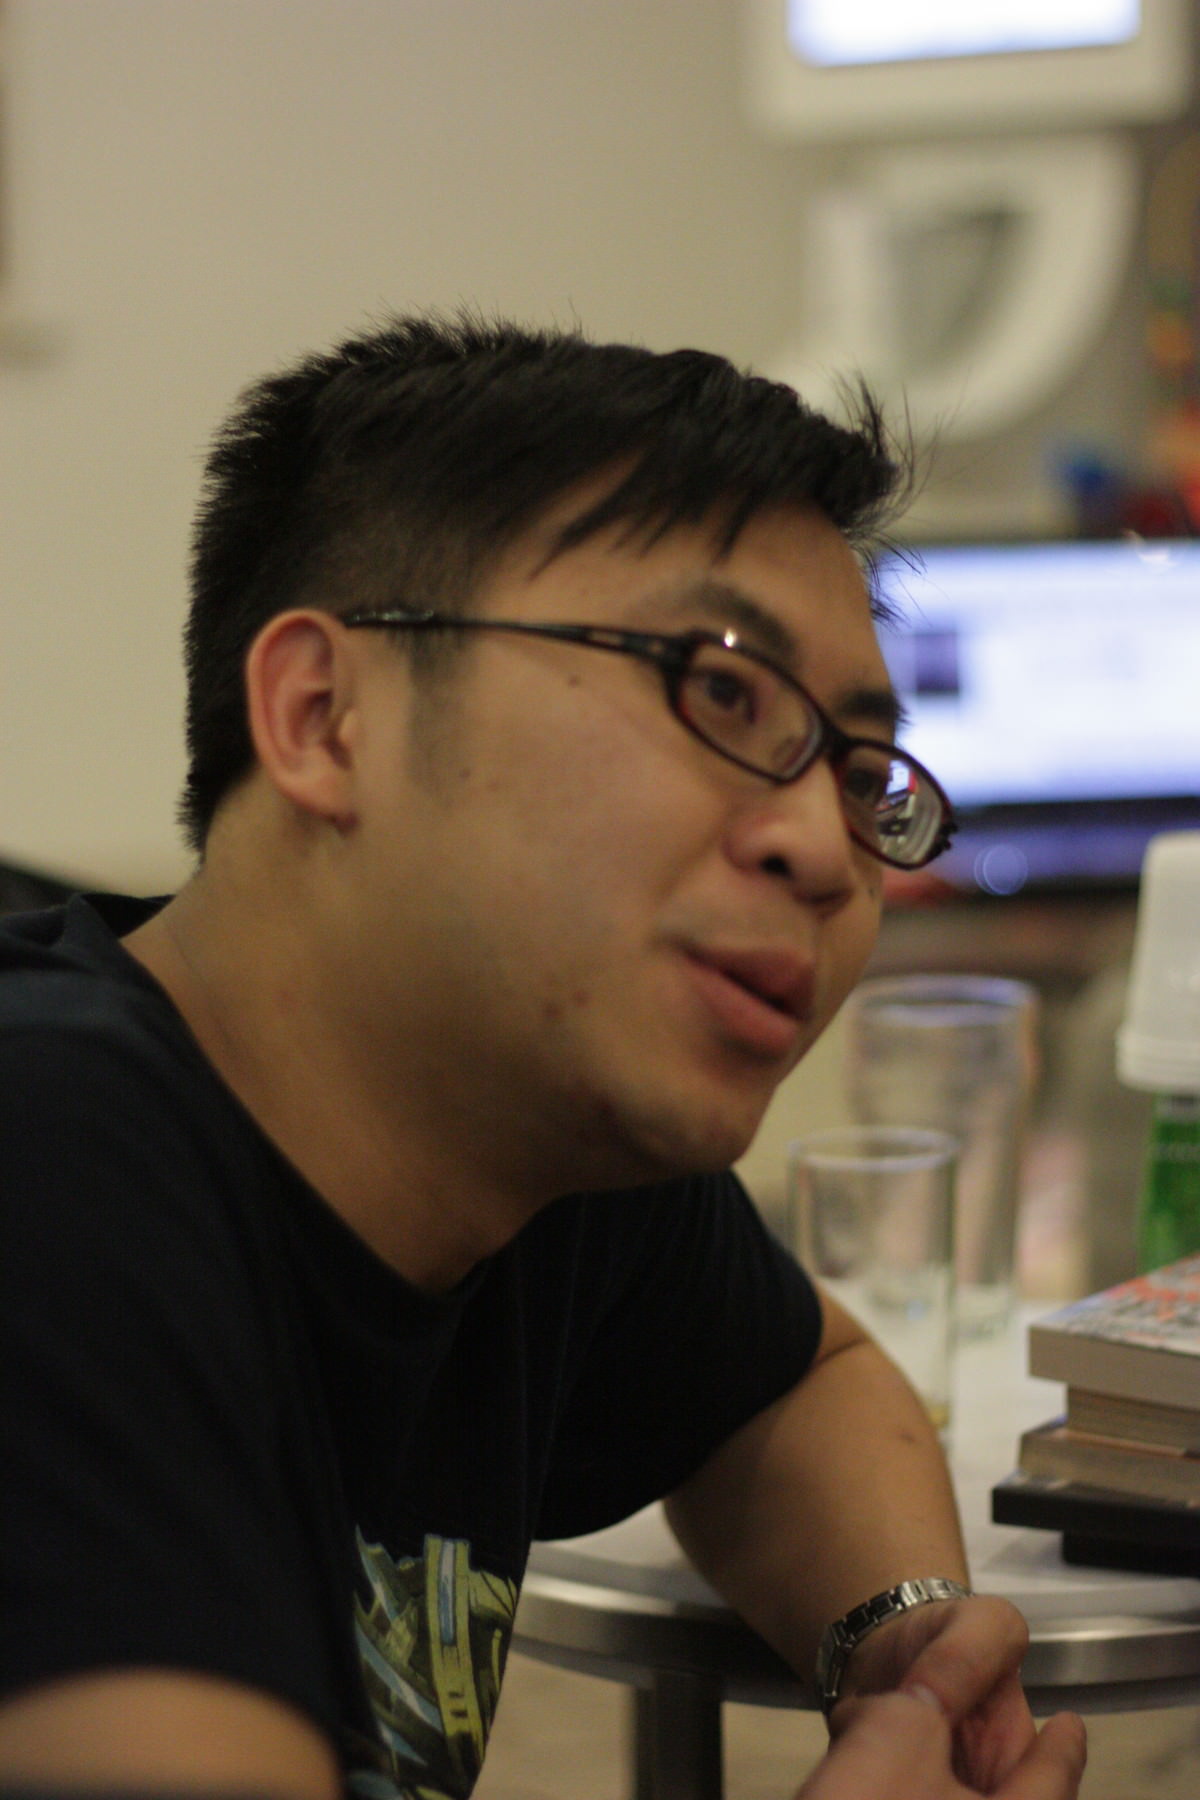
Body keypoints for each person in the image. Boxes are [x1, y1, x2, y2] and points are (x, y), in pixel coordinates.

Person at [0, 314, 1084, 1800]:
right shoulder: (53, 1164)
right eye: (721, 692)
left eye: (858, 774)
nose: (827, 851)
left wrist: (900, 1650)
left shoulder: (532, 1144)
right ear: (325, 717)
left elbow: (800, 1384)